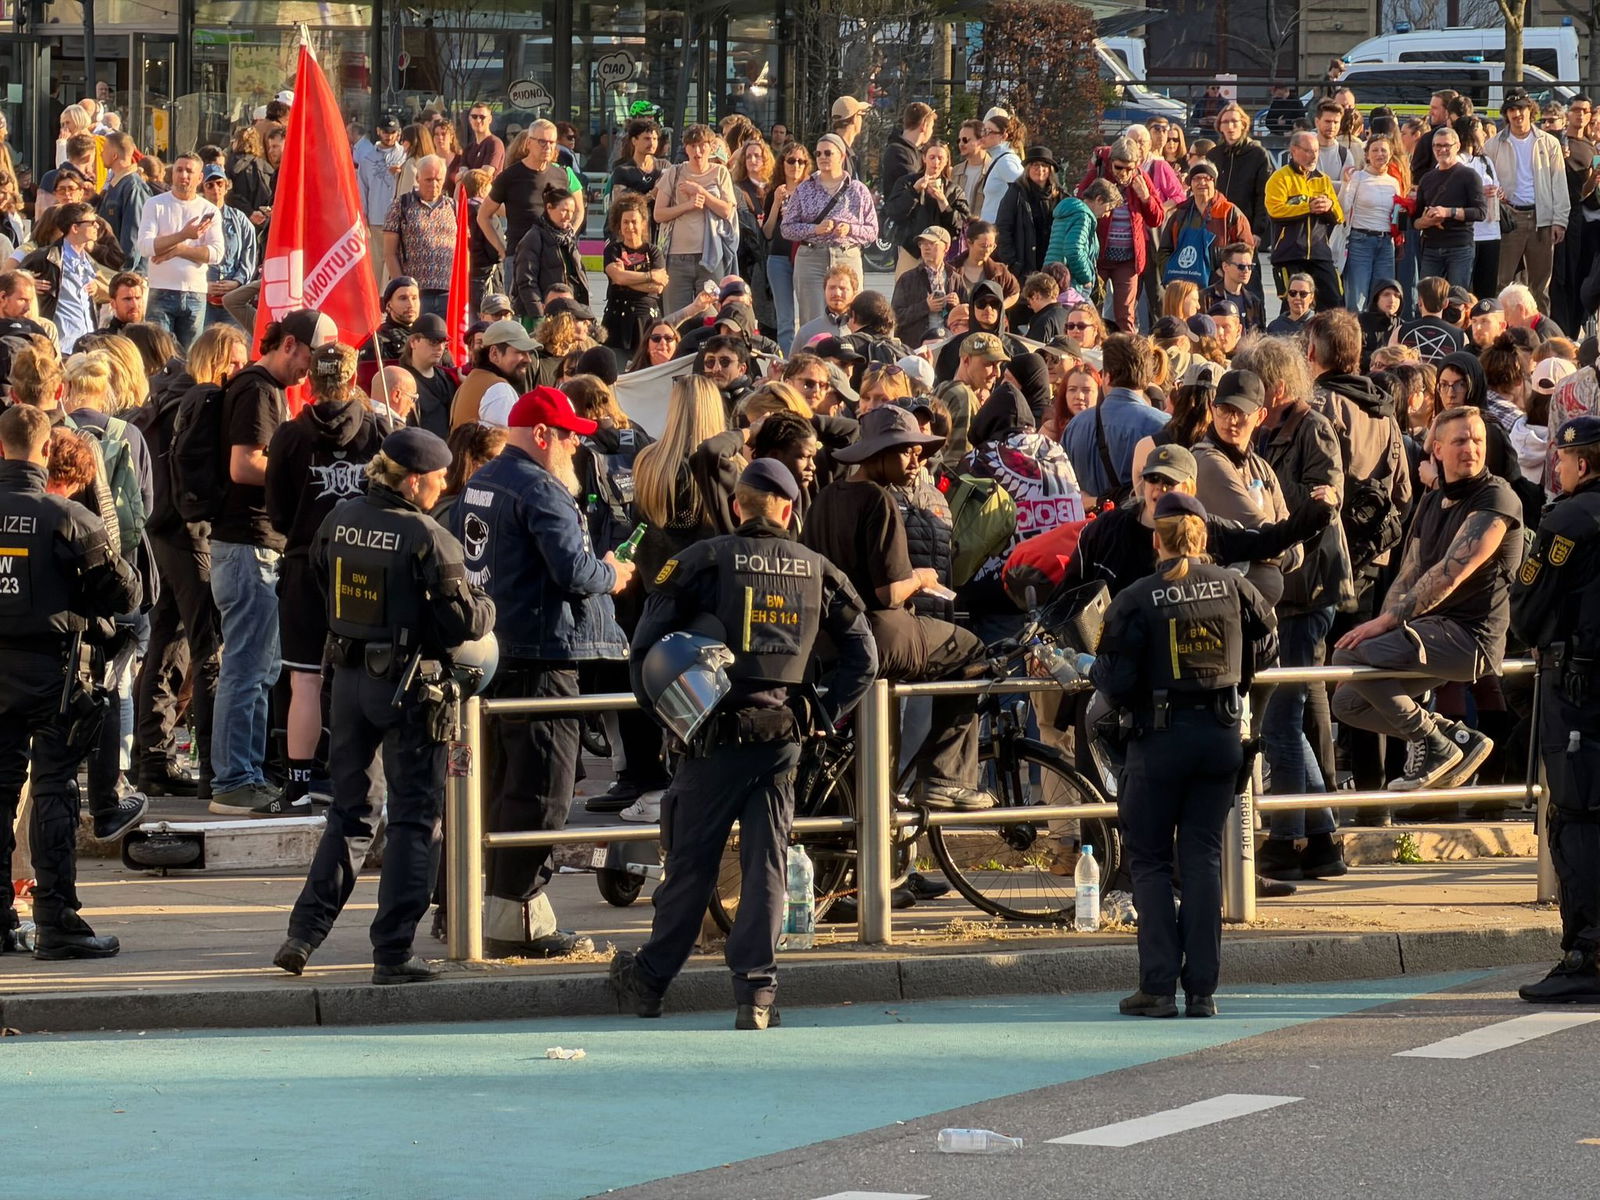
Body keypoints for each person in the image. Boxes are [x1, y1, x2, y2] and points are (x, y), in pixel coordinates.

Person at [610, 459, 876, 1027]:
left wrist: (675, 720)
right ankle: (757, 994)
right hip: (781, 739)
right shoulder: (817, 570)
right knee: (766, 867)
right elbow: (865, 658)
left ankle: (650, 982)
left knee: (691, 867)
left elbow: (644, 653)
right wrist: (818, 710)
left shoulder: (701, 562)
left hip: (709, 737)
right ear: (786, 508)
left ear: (737, 506)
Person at [273, 427, 494, 984]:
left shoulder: (338, 518)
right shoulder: (427, 535)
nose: (445, 484)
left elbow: (321, 581)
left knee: (349, 813)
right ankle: (392, 952)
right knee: (417, 820)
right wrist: (487, 607)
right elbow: (460, 623)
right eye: (440, 477)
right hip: (408, 689)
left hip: (346, 683)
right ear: (415, 481)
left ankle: (303, 934)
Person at [449, 387, 636, 956]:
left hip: (499, 648)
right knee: (542, 792)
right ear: (541, 435)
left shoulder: (483, 480)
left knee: (498, 786)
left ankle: (464, 908)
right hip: (543, 652)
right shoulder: (539, 486)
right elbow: (572, 571)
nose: (578, 444)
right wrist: (611, 573)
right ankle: (520, 920)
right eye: (571, 435)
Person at [1090, 490, 1277, 1018]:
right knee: (1202, 859)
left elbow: (1115, 681)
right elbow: (1268, 643)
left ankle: (1157, 987)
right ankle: (1202, 991)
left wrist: (1092, 670)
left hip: (1158, 741)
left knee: (1148, 862)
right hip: (1219, 738)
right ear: (1201, 536)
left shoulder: (1137, 596)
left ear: (1157, 540)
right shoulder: (1234, 585)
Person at [0, 405, 141, 958]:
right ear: (42, 451)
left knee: (1, 787)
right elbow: (124, 592)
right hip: (53, 671)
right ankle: (56, 919)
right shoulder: (66, 516)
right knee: (55, 789)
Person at [802, 406, 993, 811]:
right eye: (906, 450)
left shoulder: (823, 499)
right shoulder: (879, 500)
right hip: (883, 633)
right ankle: (945, 777)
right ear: (876, 454)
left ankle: (872, 840)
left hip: (832, 642)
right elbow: (889, 593)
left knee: (872, 748)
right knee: (974, 650)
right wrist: (922, 578)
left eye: (918, 451)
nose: (916, 459)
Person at [1331, 405, 1521, 791]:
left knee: (1346, 655)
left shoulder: (1497, 497)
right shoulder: (1433, 500)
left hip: (1471, 638)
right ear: (1437, 449)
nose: (1471, 448)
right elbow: (1410, 572)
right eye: (1460, 441)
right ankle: (1453, 738)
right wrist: (1380, 627)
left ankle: (1434, 743)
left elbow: (1449, 573)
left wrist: (1385, 624)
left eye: (1478, 440)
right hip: (1429, 634)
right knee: (1347, 701)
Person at [207, 308, 339, 814]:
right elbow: (244, 463)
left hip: (251, 542)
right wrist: (299, 471)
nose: (312, 369)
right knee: (247, 665)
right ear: (289, 346)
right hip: (245, 543)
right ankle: (235, 780)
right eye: (311, 356)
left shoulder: (264, 389)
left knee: (258, 666)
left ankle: (245, 774)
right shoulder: (259, 389)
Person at [259, 343, 385, 816]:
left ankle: (297, 785)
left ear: (311, 378)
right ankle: (355, 776)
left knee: (305, 681)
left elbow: (276, 510)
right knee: (362, 674)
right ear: (353, 379)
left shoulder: (290, 435)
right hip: (364, 563)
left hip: (303, 561)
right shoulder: (377, 429)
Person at [1511, 416, 1600, 1002]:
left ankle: (1587, 954)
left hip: (1579, 692)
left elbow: (1526, 607)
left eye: (1562, 460)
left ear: (1582, 463)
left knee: (1578, 819)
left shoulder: (1567, 520)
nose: (1557, 469)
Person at [1484, 91, 1569, 314]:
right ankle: (1501, 335)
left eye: (1521, 108)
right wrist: (1494, 196)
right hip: (1509, 217)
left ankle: (1540, 338)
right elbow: (1485, 181)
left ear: (1530, 110)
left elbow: (1559, 183)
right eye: (1512, 110)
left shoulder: (1549, 142)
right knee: (1502, 283)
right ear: (1506, 114)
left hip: (1541, 218)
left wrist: (1559, 220)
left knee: (1540, 287)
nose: (1517, 114)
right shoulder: (1493, 145)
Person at [1062, 333, 1170, 504]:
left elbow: (1065, 490)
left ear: (1107, 376)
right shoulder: (1164, 425)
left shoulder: (1075, 425)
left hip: (1088, 526)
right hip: (1141, 526)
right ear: (1146, 378)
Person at [783, 133, 877, 329]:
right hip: (811, 258)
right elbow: (787, 228)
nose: (822, 157)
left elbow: (872, 231)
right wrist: (814, 229)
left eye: (828, 153)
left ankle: (849, 356)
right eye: (818, 153)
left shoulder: (858, 190)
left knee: (851, 317)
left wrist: (850, 229)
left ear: (842, 156)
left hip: (847, 256)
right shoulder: (804, 189)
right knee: (813, 320)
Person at [478, 119, 584, 279]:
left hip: (553, 257)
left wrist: (570, 234)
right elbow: (483, 216)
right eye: (542, 142)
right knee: (521, 304)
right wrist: (502, 250)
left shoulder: (561, 175)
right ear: (528, 143)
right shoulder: (510, 176)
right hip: (519, 258)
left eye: (551, 142)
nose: (547, 147)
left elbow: (578, 209)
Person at [653, 124, 738, 313]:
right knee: (677, 318)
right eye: (692, 146)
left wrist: (701, 193)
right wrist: (688, 205)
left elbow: (727, 211)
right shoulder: (674, 173)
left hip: (710, 257)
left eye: (702, 145)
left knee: (711, 317)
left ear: (710, 147)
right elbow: (658, 214)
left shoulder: (720, 172)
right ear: (686, 148)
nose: (697, 151)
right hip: (676, 258)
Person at [1085, 136, 1163, 334]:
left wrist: (1145, 198)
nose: (1124, 173)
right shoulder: (1099, 174)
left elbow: (1157, 218)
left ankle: (1125, 354)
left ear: (1137, 164)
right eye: (1119, 167)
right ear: (1111, 162)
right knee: (1091, 311)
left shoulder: (1141, 178)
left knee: (1126, 316)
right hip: (1098, 258)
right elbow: (1081, 200)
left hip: (1128, 260)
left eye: (1129, 168)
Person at [1266, 131, 1344, 313]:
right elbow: (1274, 210)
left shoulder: (1323, 179)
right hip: (1289, 254)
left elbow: (1340, 217)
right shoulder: (1279, 178)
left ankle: (1331, 341)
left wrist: (1330, 205)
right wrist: (1307, 207)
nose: (1313, 156)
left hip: (1320, 253)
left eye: (1316, 151)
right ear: (1294, 151)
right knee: (1292, 306)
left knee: (1335, 302)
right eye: (1308, 151)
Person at [1163, 162, 1253, 304]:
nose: (1202, 183)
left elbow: (1246, 248)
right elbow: (1164, 249)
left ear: (1214, 182)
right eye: (1196, 179)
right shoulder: (1180, 213)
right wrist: (1172, 272)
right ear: (1190, 183)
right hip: (1184, 288)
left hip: (1219, 287)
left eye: (1207, 178)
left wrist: (1225, 272)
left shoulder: (1229, 212)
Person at [1211, 104, 1273, 309]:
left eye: (1234, 121)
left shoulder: (1257, 154)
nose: (1230, 126)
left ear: (1243, 125)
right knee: (1217, 283)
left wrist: (1258, 230)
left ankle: (1257, 328)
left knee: (1250, 284)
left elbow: (1263, 195)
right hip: (1217, 232)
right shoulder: (1214, 155)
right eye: (1225, 122)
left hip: (1245, 231)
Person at [22, 201, 104, 351]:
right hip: (59, 346)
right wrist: (27, 285)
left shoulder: (88, 261)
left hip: (88, 344)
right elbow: (10, 284)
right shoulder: (45, 258)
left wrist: (98, 287)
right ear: (75, 228)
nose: (97, 226)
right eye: (92, 223)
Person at [1413, 125, 1486, 289]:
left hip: (1460, 248)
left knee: (1456, 300)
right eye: (1437, 146)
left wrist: (1448, 212)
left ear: (1457, 146)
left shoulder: (1469, 176)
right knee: (1428, 297)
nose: (1442, 150)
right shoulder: (1426, 179)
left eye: (1447, 145)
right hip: (1431, 248)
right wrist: (1425, 221)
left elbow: (1480, 212)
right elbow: (1415, 220)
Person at [382, 155, 455, 318]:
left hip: (448, 292)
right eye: (428, 180)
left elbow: (464, 250)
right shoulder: (401, 205)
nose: (434, 185)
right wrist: (402, 289)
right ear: (417, 178)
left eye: (438, 180)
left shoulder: (453, 207)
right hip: (416, 294)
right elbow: (389, 252)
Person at [1338, 136, 1405, 311]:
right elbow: (1343, 207)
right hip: (1360, 241)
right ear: (1367, 154)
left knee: (1384, 298)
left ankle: (1380, 337)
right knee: (1357, 300)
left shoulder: (1394, 182)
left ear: (1390, 154)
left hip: (1386, 244)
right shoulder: (1358, 177)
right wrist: (1345, 184)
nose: (1379, 154)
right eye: (1374, 150)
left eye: (1384, 150)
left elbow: (1396, 215)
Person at [601, 193, 666, 362]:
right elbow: (618, 278)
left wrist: (626, 279)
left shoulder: (653, 252)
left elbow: (658, 287)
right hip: (617, 320)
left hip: (646, 319)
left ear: (643, 224)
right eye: (625, 222)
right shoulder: (613, 250)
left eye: (634, 222)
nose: (630, 227)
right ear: (619, 225)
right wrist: (650, 276)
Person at [512, 184, 588, 319]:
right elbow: (526, 280)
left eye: (572, 211)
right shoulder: (533, 238)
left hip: (568, 310)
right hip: (542, 313)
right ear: (549, 208)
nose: (568, 216)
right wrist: (538, 313)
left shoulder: (568, 238)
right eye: (564, 210)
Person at [199, 165, 256, 329]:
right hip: (203, 298)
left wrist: (237, 282)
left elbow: (249, 255)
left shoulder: (240, 220)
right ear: (202, 188)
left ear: (226, 186)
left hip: (232, 299)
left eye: (219, 183)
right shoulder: (195, 218)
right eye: (209, 185)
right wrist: (203, 284)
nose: (215, 189)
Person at [891, 226, 966, 348]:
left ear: (946, 247)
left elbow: (968, 316)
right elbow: (895, 316)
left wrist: (958, 307)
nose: (926, 247)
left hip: (950, 344)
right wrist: (925, 306)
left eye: (932, 243)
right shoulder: (907, 279)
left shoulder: (955, 278)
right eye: (922, 243)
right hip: (916, 345)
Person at [354, 116, 405, 287]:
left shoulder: (403, 155)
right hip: (377, 218)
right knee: (376, 264)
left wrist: (401, 172)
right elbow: (362, 189)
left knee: (397, 262)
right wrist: (364, 217)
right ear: (378, 131)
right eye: (385, 132)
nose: (389, 136)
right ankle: (376, 301)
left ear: (398, 133)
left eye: (392, 132)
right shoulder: (367, 158)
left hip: (400, 218)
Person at [995, 145, 1060, 279]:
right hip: (1023, 266)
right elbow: (1003, 227)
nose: (1040, 170)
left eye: (1044, 166)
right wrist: (1012, 263)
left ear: (1050, 170)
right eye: (1035, 165)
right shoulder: (1016, 192)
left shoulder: (1060, 196)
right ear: (1028, 168)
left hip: (1051, 264)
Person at [1046, 177, 1116, 295]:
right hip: (1069, 281)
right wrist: (1086, 277)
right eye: (1108, 208)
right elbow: (1074, 249)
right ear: (1099, 199)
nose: (1107, 214)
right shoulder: (1082, 216)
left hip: (1053, 275)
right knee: (1086, 313)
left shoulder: (1070, 212)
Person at [97, 131, 150, 272]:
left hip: (128, 274)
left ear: (114, 155)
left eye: (104, 150)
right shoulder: (117, 183)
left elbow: (134, 233)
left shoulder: (133, 186)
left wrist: (125, 271)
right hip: (112, 267)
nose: (101, 154)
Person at [1398, 274, 1467, 361]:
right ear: (1446, 303)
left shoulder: (1400, 331)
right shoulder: (1461, 337)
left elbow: (1389, 365)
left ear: (1419, 301)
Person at [977, 112, 1025, 223]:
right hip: (992, 228)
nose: (982, 135)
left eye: (988, 131)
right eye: (983, 130)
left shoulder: (1006, 161)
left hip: (1000, 230)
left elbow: (1024, 190)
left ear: (1003, 136)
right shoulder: (998, 159)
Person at [609, 117, 663, 202]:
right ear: (634, 141)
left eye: (655, 139)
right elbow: (621, 203)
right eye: (647, 139)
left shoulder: (664, 166)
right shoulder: (622, 171)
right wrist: (653, 193)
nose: (652, 143)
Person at [457, 103, 506, 180]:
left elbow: (485, 175)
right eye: (474, 117)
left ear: (490, 119)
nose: (478, 120)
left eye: (482, 117)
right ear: (470, 120)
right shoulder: (468, 149)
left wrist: (465, 174)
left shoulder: (495, 143)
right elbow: (460, 175)